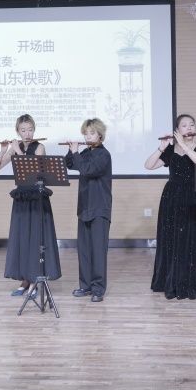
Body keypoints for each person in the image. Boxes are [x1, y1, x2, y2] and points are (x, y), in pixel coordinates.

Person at [0, 114, 61, 296]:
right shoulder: (15, 148)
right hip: (22, 196)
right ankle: (25, 280)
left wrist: (17, 150)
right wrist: (3, 151)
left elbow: (33, 170)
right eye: (23, 130)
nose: (27, 133)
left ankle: (35, 281)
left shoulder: (40, 147)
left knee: (36, 239)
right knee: (22, 239)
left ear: (34, 130)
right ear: (18, 131)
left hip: (37, 196)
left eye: (30, 129)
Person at [145, 114, 196, 300]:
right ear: (177, 130)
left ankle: (194, 282)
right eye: (184, 125)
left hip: (195, 196)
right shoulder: (171, 150)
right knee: (173, 238)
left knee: (192, 237)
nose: (189, 128)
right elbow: (149, 165)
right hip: (172, 198)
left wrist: (183, 146)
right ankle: (172, 280)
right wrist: (161, 148)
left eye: (192, 125)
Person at [65, 118, 112, 303]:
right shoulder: (85, 152)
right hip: (84, 207)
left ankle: (98, 289)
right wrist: (71, 151)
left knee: (98, 251)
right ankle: (85, 286)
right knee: (84, 250)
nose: (87, 136)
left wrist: (76, 152)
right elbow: (70, 164)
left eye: (91, 133)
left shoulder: (104, 154)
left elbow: (87, 170)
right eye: (85, 133)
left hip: (99, 208)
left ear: (100, 135)